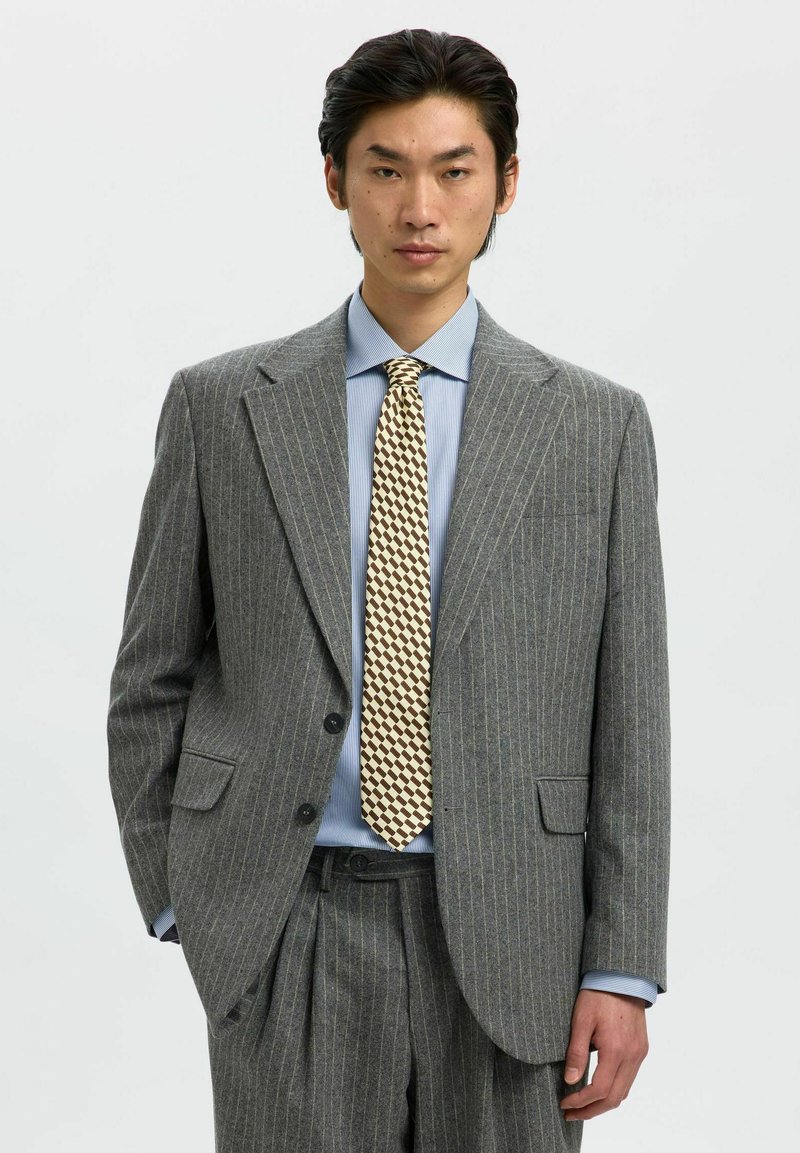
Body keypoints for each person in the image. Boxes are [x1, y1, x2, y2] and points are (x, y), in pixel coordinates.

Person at [107, 27, 670, 1153]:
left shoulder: (593, 426)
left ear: (505, 183)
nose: (420, 208)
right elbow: (149, 680)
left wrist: (621, 964)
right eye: (385, 168)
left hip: (517, 928)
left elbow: (630, 715)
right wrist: (187, 899)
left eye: (454, 170)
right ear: (335, 181)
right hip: (287, 918)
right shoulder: (224, 408)